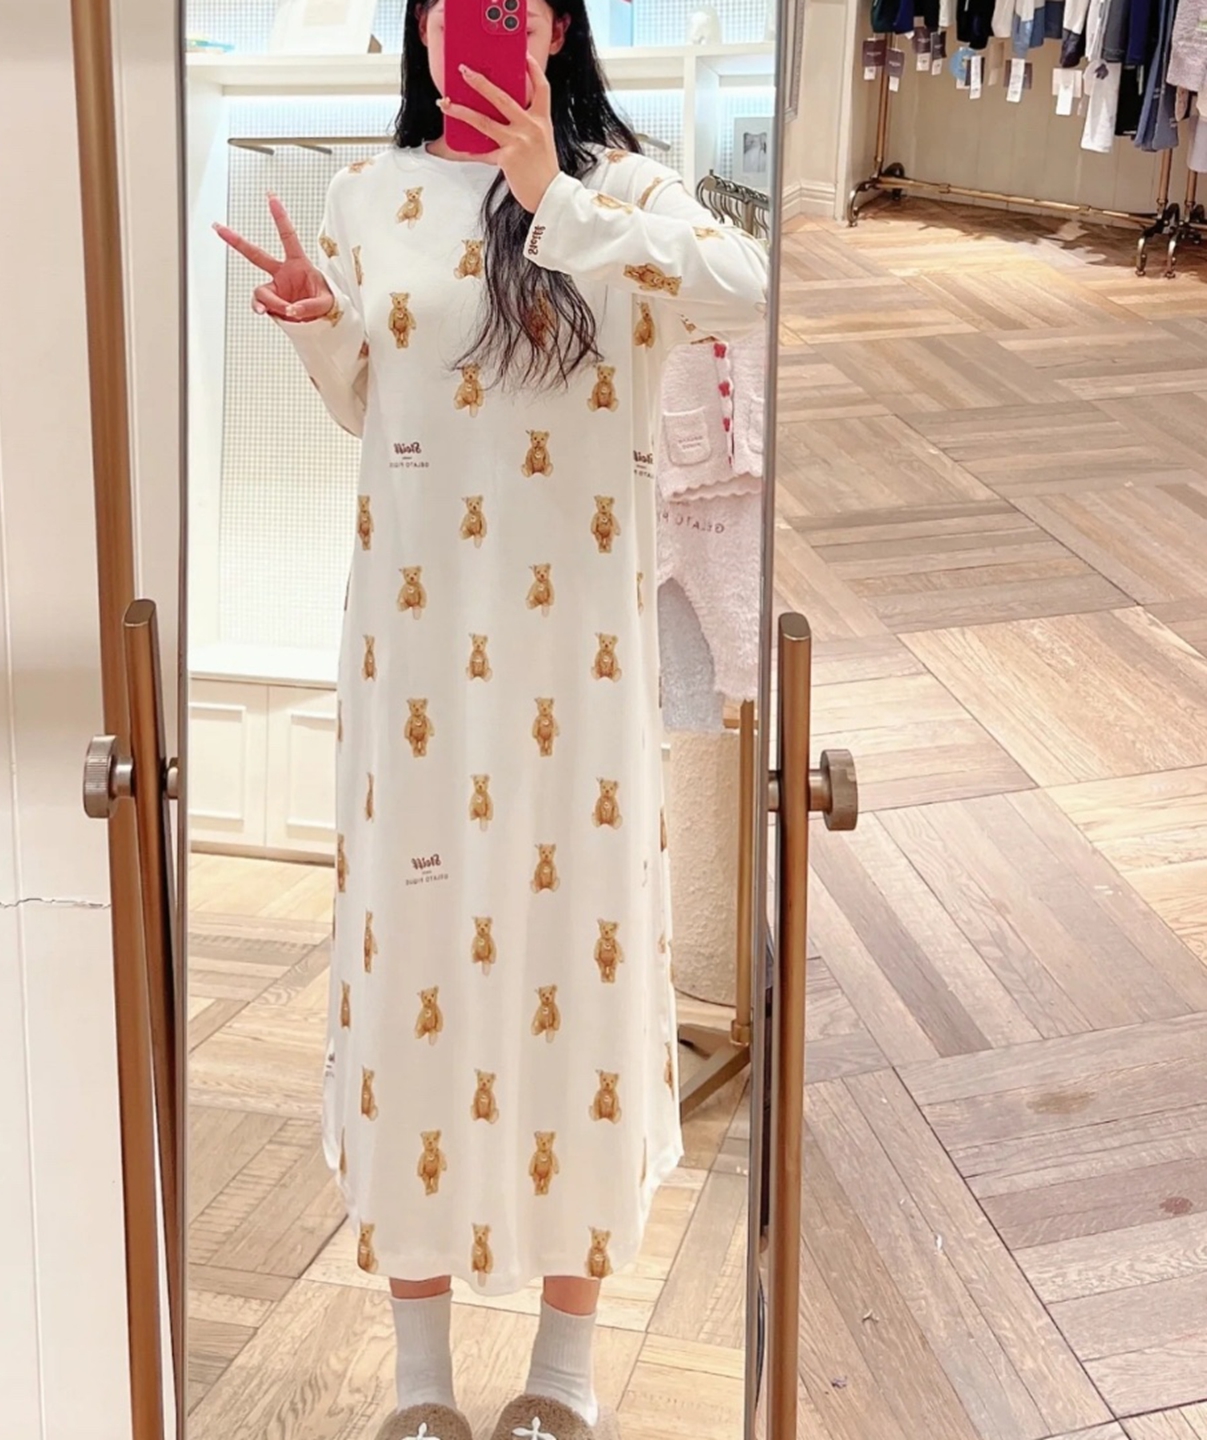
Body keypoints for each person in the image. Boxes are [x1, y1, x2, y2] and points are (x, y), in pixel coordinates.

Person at [215, 2, 767, 1435]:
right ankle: (420, 1388)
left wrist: (556, 201)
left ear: (558, 25)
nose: (469, 15)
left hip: (576, 672)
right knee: (414, 970)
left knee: (574, 969)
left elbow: (751, 285)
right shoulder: (367, 193)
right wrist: (323, 327)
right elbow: (370, 406)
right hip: (413, 665)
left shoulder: (625, 189)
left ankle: (562, 1384)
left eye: (508, 0)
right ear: (418, 26)